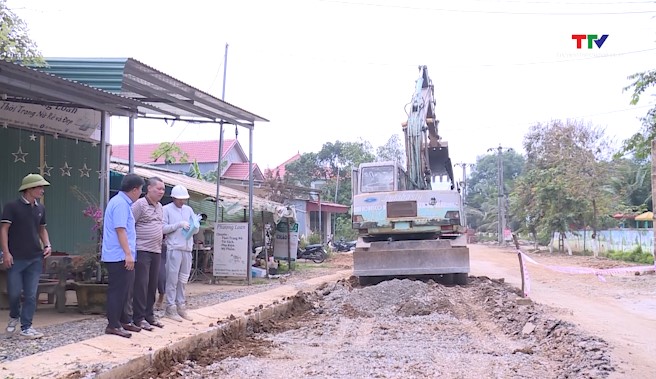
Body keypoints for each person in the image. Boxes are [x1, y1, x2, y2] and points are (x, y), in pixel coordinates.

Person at [1, 174, 52, 339]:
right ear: (29, 189)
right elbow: (4, 230)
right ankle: (14, 315)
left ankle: (26, 327)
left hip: (35, 258)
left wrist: (47, 245)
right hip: (16, 258)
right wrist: (6, 253)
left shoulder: (40, 208)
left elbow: (42, 229)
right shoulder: (11, 207)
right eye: (39, 187)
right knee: (14, 293)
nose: (42, 190)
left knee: (30, 294)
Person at [102, 173, 144, 338]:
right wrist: (128, 254)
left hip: (123, 255)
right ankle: (113, 324)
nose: (140, 193)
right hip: (118, 256)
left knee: (126, 290)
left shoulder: (123, 203)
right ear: (134, 190)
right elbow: (120, 229)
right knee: (118, 291)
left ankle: (124, 320)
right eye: (140, 190)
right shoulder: (120, 204)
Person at [131, 177, 166, 331]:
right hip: (142, 249)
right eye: (158, 188)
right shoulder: (139, 204)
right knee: (141, 284)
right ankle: (138, 318)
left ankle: (149, 315)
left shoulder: (160, 207)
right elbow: (129, 224)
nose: (161, 192)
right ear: (149, 188)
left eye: (163, 189)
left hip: (156, 250)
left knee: (152, 284)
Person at [162, 185, 199, 322]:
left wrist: (195, 227)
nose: (182, 202)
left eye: (184, 199)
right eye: (179, 199)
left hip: (187, 248)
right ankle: (170, 307)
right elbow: (162, 228)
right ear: (173, 198)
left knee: (183, 279)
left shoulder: (188, 209)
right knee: (172, 279)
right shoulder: (166, 209)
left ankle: (181, 306)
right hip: (174, 248)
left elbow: (194, 224)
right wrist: (178, 225)